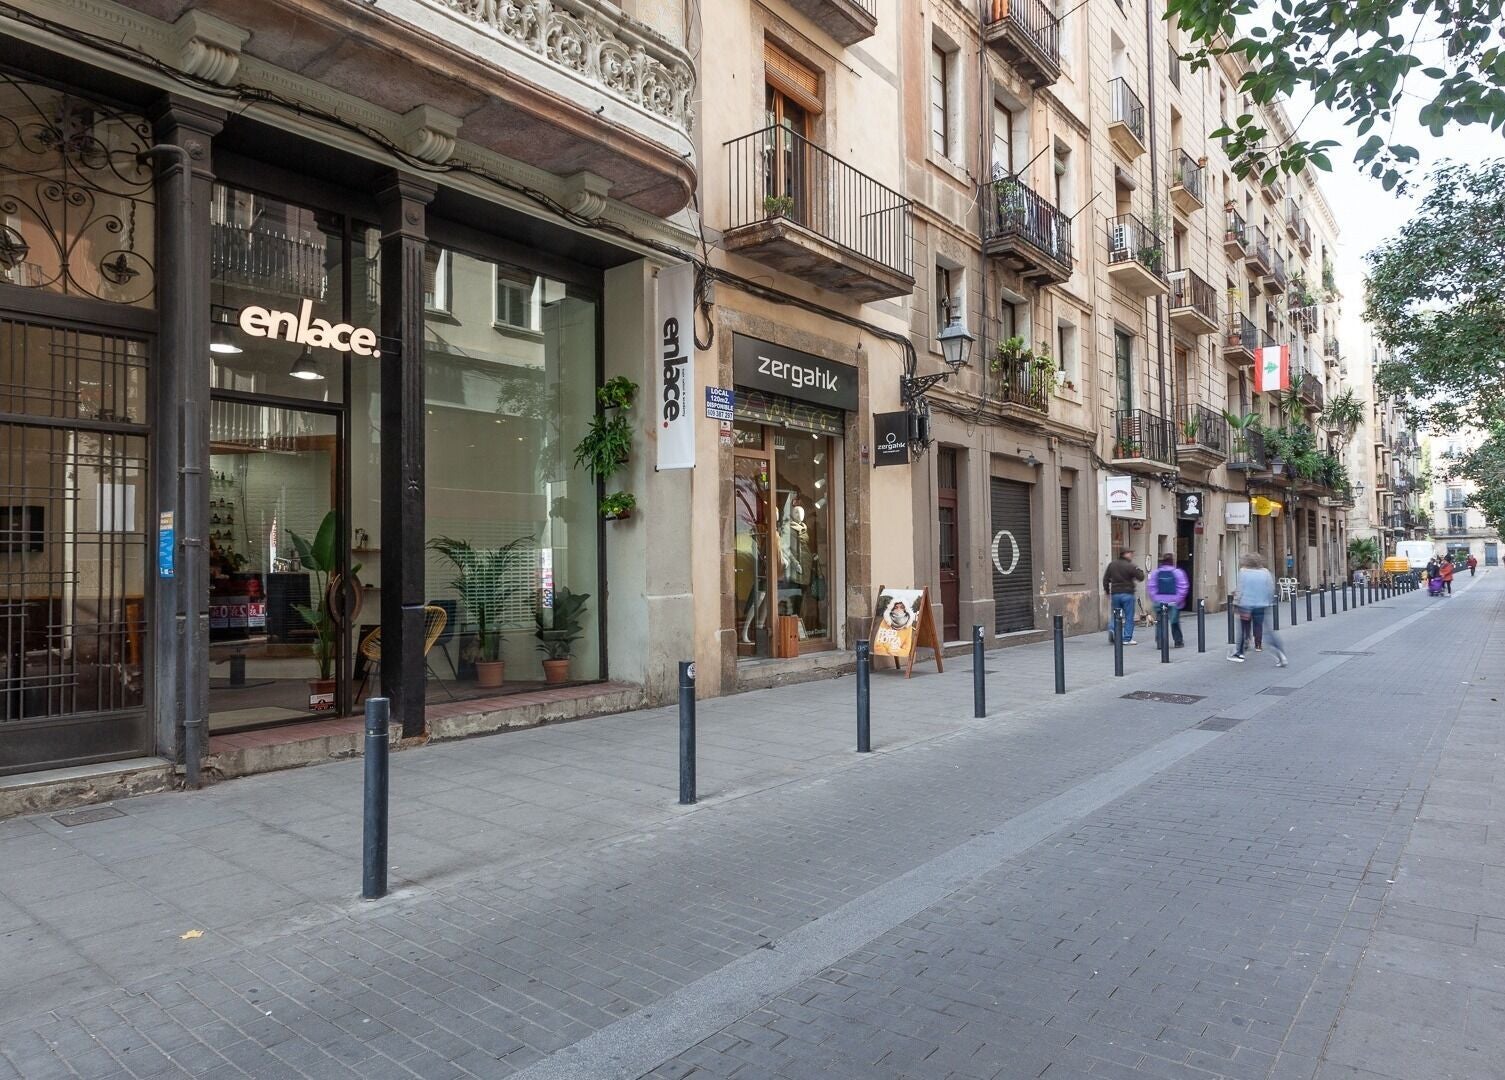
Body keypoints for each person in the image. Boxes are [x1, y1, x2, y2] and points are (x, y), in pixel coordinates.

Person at [1228, 552, 1287, 666]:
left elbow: (1240, 590)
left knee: (1243, 629)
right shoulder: (1266, 573)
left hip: (1245, 606)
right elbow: (1270, 589)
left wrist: (1235, 603)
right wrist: (1268, 602)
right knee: (1267, 631)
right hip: (1261, 606)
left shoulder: (1243, 572)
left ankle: (1240, 653)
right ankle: (1280, 652)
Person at [1147, 553, 1190, 649]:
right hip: (1174, 603)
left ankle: (1160, 642)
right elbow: (1184, 587)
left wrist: (1156, 598)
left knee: (1160, 622)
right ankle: (1178, 641)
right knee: (1175, 622)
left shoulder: (1156, 573)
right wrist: (1178, 599)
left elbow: (1151, 587)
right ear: (1172, 562)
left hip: (1160, 602)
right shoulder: (1178, 572)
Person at [1103, 548, 1145, 645]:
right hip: (1127, 594)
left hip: (1115, 594)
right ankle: (1127, 638)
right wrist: (1139, 570)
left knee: (1115, 614)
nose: (1132, 555)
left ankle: (1113, 629)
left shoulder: (1112, 565)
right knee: (1129, 616)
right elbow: (1141, 577)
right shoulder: (1130, 566)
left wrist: (1107, 591)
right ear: (1125, 554)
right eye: (1130, 553)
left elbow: (1105, 579)